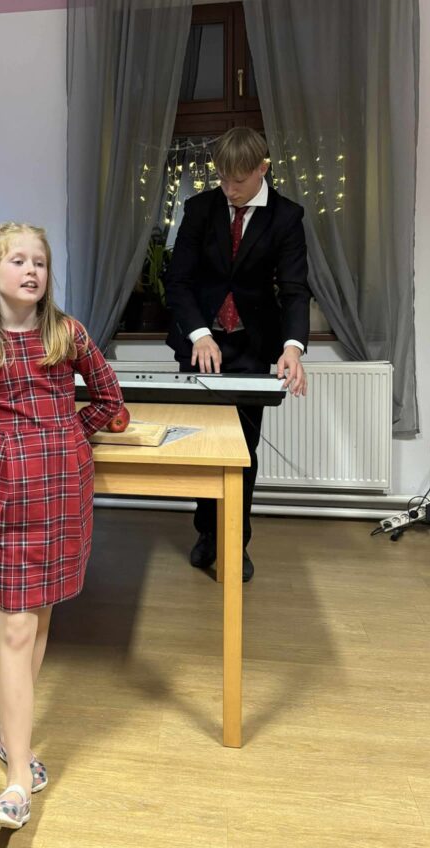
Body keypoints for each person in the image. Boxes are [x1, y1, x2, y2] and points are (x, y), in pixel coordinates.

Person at [0, 222, 123, 829]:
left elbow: (111, 402)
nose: (31, 271)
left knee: (38, 619)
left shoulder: (68, 334)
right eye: (18, 260)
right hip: (7, 495)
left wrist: (66, 436)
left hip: (63, 489)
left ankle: (8, 737)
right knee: (17, 624)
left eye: (39, 261)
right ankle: (18, 778)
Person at [165, 127, 310, 582]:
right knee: (201, 446)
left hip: (250, 346)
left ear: (262, 169)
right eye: (223, 178)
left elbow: (294, 289)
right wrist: (199, 334)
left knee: (242, 450)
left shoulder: (286, 217)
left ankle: (235, 541)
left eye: (239, 180)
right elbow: (178, 282)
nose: (229, 189)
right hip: (200, 343)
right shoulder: (200, 209)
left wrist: (292, 347)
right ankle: (207, 533)